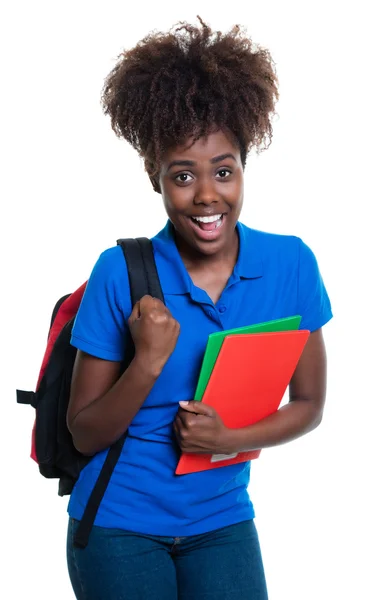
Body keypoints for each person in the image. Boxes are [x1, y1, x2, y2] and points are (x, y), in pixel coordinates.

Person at [66, 17, 332, 600]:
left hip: (224, 525)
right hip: (118, 528)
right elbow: (84, 433)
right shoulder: (122, 272)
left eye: (223, 171)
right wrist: (146, 362)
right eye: (183, 175)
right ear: (155, 177)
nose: (207, 195)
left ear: (242, 168)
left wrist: (227, 436)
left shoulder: (290, 266)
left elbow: (309, 405)